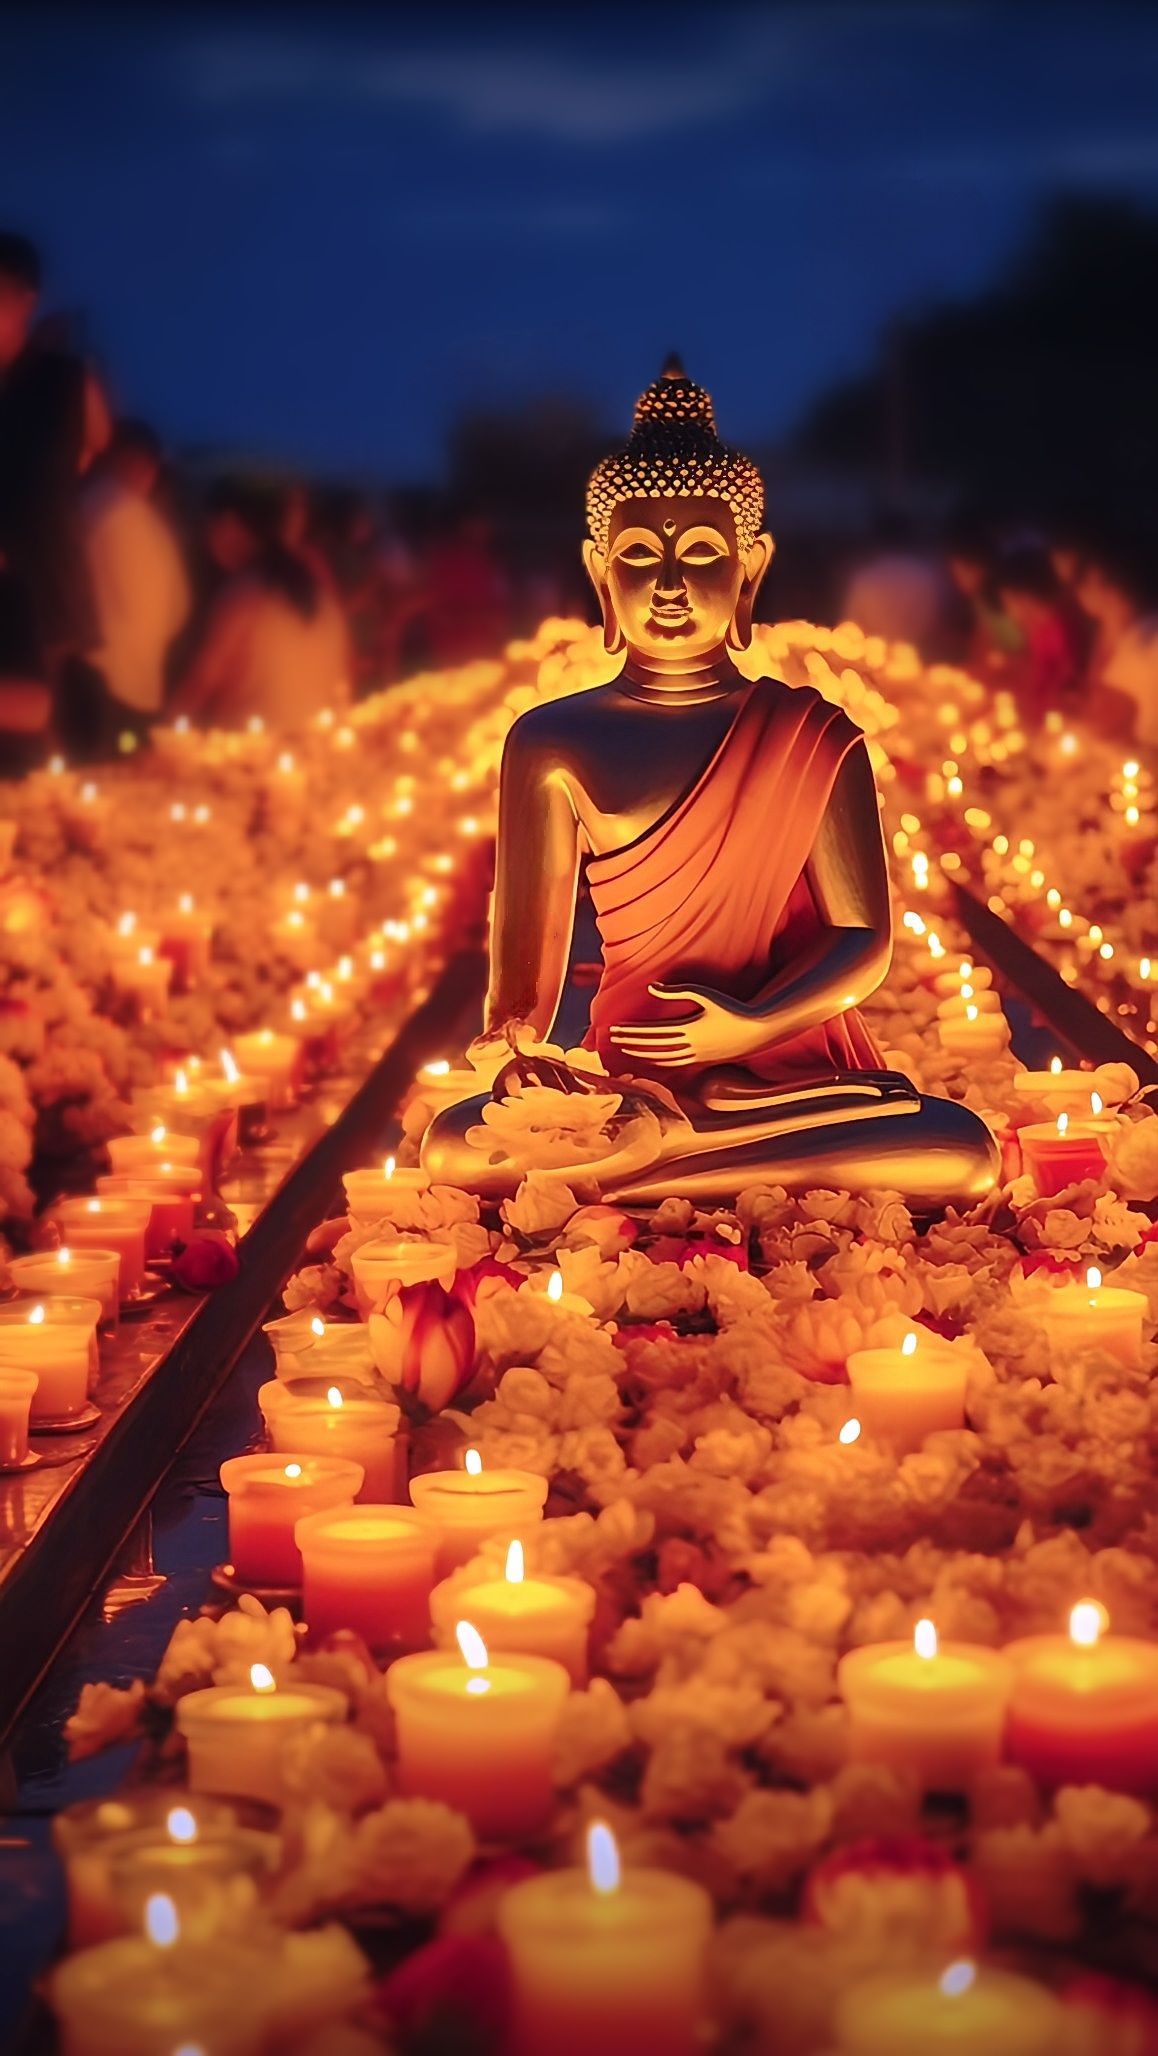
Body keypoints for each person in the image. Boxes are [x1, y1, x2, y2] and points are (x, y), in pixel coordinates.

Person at [424, 359, 996, 1212]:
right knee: (457, 1145)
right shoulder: (549, 740)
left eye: (699, 554)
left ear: (750, 570)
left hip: (782, 1078)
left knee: (958, 1149)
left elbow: (860, 940)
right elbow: (523, 980)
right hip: (630, 1082)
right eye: (637, 556)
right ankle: (671, 1162)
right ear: (598, 574)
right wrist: (513, 1053)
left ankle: (653, 1176)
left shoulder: (813, 734)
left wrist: (752, 1024)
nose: (667, 585)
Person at [0, 231, 110, 755]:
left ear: (27, 301)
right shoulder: (65, 378)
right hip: (38, 577)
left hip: (44, 585)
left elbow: (96, 443)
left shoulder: (66, 379)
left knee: (41, 741)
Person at [172, 481, 350, 730]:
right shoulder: (320, 594)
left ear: (230, 523)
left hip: (254, 749)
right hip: (314, 741)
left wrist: (164, 732)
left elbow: (201, 683)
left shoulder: (245, 590)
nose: (205, 536)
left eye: (209, 524)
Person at [82, 419, 189, 747]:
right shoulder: (156, 529)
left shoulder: (91, 505)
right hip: (144, 693)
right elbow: (177, 613)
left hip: (94, 688)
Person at [1075, 540, 1158, 749]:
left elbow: (1147, 733)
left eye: (1101, 584)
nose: (1085, 593)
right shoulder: (1110, 636)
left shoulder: (1148, 643)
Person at [841, 509, 951, 655]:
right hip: (922, 661)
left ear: (877, 541)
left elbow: (852, 627)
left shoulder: (865, 578)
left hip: (876, 660)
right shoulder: (926, 575)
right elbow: (941, 624)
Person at [995, 545, 1083, 724]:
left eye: (1008, 602)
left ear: (1025, 598)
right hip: (1036, 715)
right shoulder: (1037, 628)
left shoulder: (1060, 631)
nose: (1008, 612)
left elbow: (1063, 686)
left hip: (1054, 722)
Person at [944, 517, 1024, 677]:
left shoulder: (1012, 597)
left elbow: (1032, 652)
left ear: (980, 567)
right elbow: (980, 644)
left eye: (961, 573)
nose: (958, 581)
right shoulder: (979, 599)